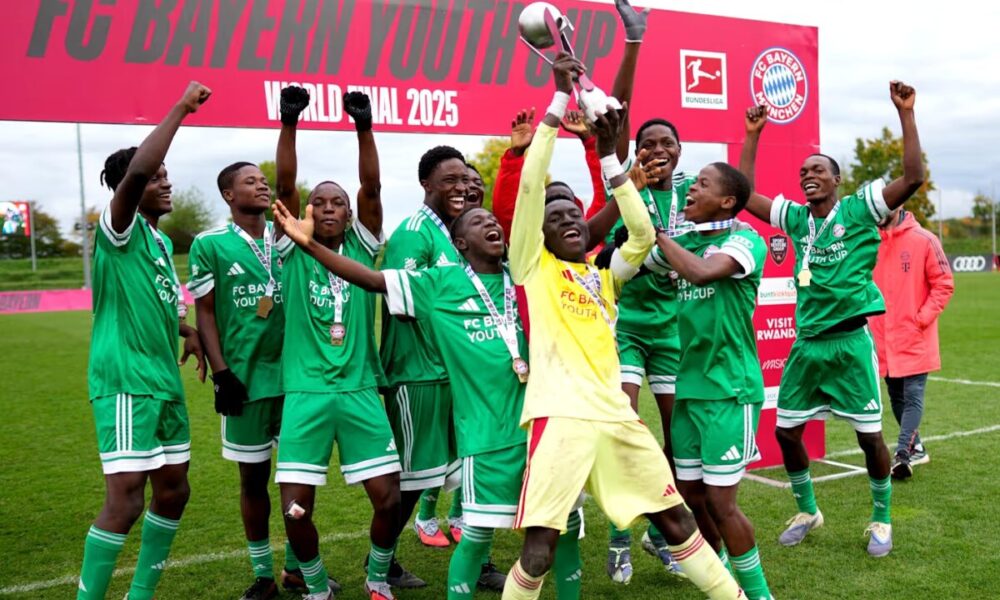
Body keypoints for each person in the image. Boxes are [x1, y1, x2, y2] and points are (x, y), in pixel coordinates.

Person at [499, 52, 742, 600]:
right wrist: (559, 101)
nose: (566, 223)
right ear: (538, 229)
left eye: (573, 218)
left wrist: (613, 161)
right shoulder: (532, 267)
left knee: (677, 521)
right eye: (553, 218)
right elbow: (532, 184)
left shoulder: (604, 276)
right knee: (538, 550)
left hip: (616, 416)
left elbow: (640, 231)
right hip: (561, 418)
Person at [271, 200, 585, 600]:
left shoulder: (526, 277)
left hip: (546, 429)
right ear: (459, 243)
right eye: (477, 222)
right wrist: (312, 246)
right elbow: (370, 279)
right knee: (476, 534)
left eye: (493, 219)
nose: (491, 224)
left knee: (566, 528)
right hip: (486, 437)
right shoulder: (439, 283)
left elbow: (574, 231)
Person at [738, 81, 925, 557]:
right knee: (785, 431)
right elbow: (742, 197)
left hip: (849, 344)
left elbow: (913, 177)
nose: (808, 175)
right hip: (807, 345)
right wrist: (752, 135)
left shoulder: (861, 209)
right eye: (803, 171)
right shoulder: (798, 220)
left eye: (818, 169)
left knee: (869, 438)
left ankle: (881, 519)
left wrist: (905, 114)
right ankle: (807, 509)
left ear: (836, 179)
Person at [78, 81, 209, 600]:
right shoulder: (120, 228)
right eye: (156, 179)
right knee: (127, 501)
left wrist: (186, 328)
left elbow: (158, 303)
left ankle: (140, 595)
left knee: (175, 491)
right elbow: (133, 175)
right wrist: (180, 109)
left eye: (166, 177)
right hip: (126, 380)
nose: (164, 183)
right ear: (127, 190)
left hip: (163, 382)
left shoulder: (156, 241)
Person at [272, 88, 403, 600]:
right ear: (304, 211)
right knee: (295, 507)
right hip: (305, 393)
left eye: (338, 204)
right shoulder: (291, 244)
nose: (328, 208)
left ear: (350, 216)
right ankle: (317, 585)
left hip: (358, 390)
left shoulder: (363, 248)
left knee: (388, 499)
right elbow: (284, 182)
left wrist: (363, 127)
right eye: (319, 202)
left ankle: (376, 577)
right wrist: (290, 122)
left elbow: (370, 185)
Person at [645, 162, 774, 599]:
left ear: (727, 200)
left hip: (729, 390)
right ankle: (719, 576)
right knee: (692, 496)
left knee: (722, 504)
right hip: (689, 390)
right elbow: (630, 263)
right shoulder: (682, 242)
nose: (691, 189)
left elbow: (701, 272)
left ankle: (759, 594)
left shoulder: (744, 239)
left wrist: (657, 236)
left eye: (702, 184)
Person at [870, 206, 954, 479]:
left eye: (885, 205)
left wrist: (920, 319)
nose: (879, 211)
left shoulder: (925, 240)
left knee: (913, 394)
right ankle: (916, 446)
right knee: (896, 396)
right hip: (883, 337)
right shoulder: (870, 242)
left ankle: (903, 455)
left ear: (899, 206)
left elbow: (944, 284)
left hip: (915, 335)